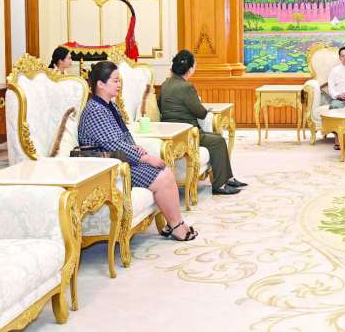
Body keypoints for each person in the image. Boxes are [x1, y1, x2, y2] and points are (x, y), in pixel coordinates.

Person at [78, 61, 198, 241]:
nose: (119, 85)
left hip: (120, 160)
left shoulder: (109, 106)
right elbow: (114, 145)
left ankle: (174, 223)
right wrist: (145, 158)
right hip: (107, 168)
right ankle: (176, 226)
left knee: (165, 171)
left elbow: (123, 136)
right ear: (100, 84)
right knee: (162, 176)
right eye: (115, 81)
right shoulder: (95, 110)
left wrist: (136, 148)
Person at [158, 50, 246, 195]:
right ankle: (219, 186)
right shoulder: (186, 87)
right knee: (218, 141)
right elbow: (200, 113)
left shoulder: (166, 84)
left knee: (216, 138)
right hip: (187, 134)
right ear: (190, 68)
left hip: (172, 132)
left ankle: (228, 178)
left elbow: (161, 106)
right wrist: (204, 107)